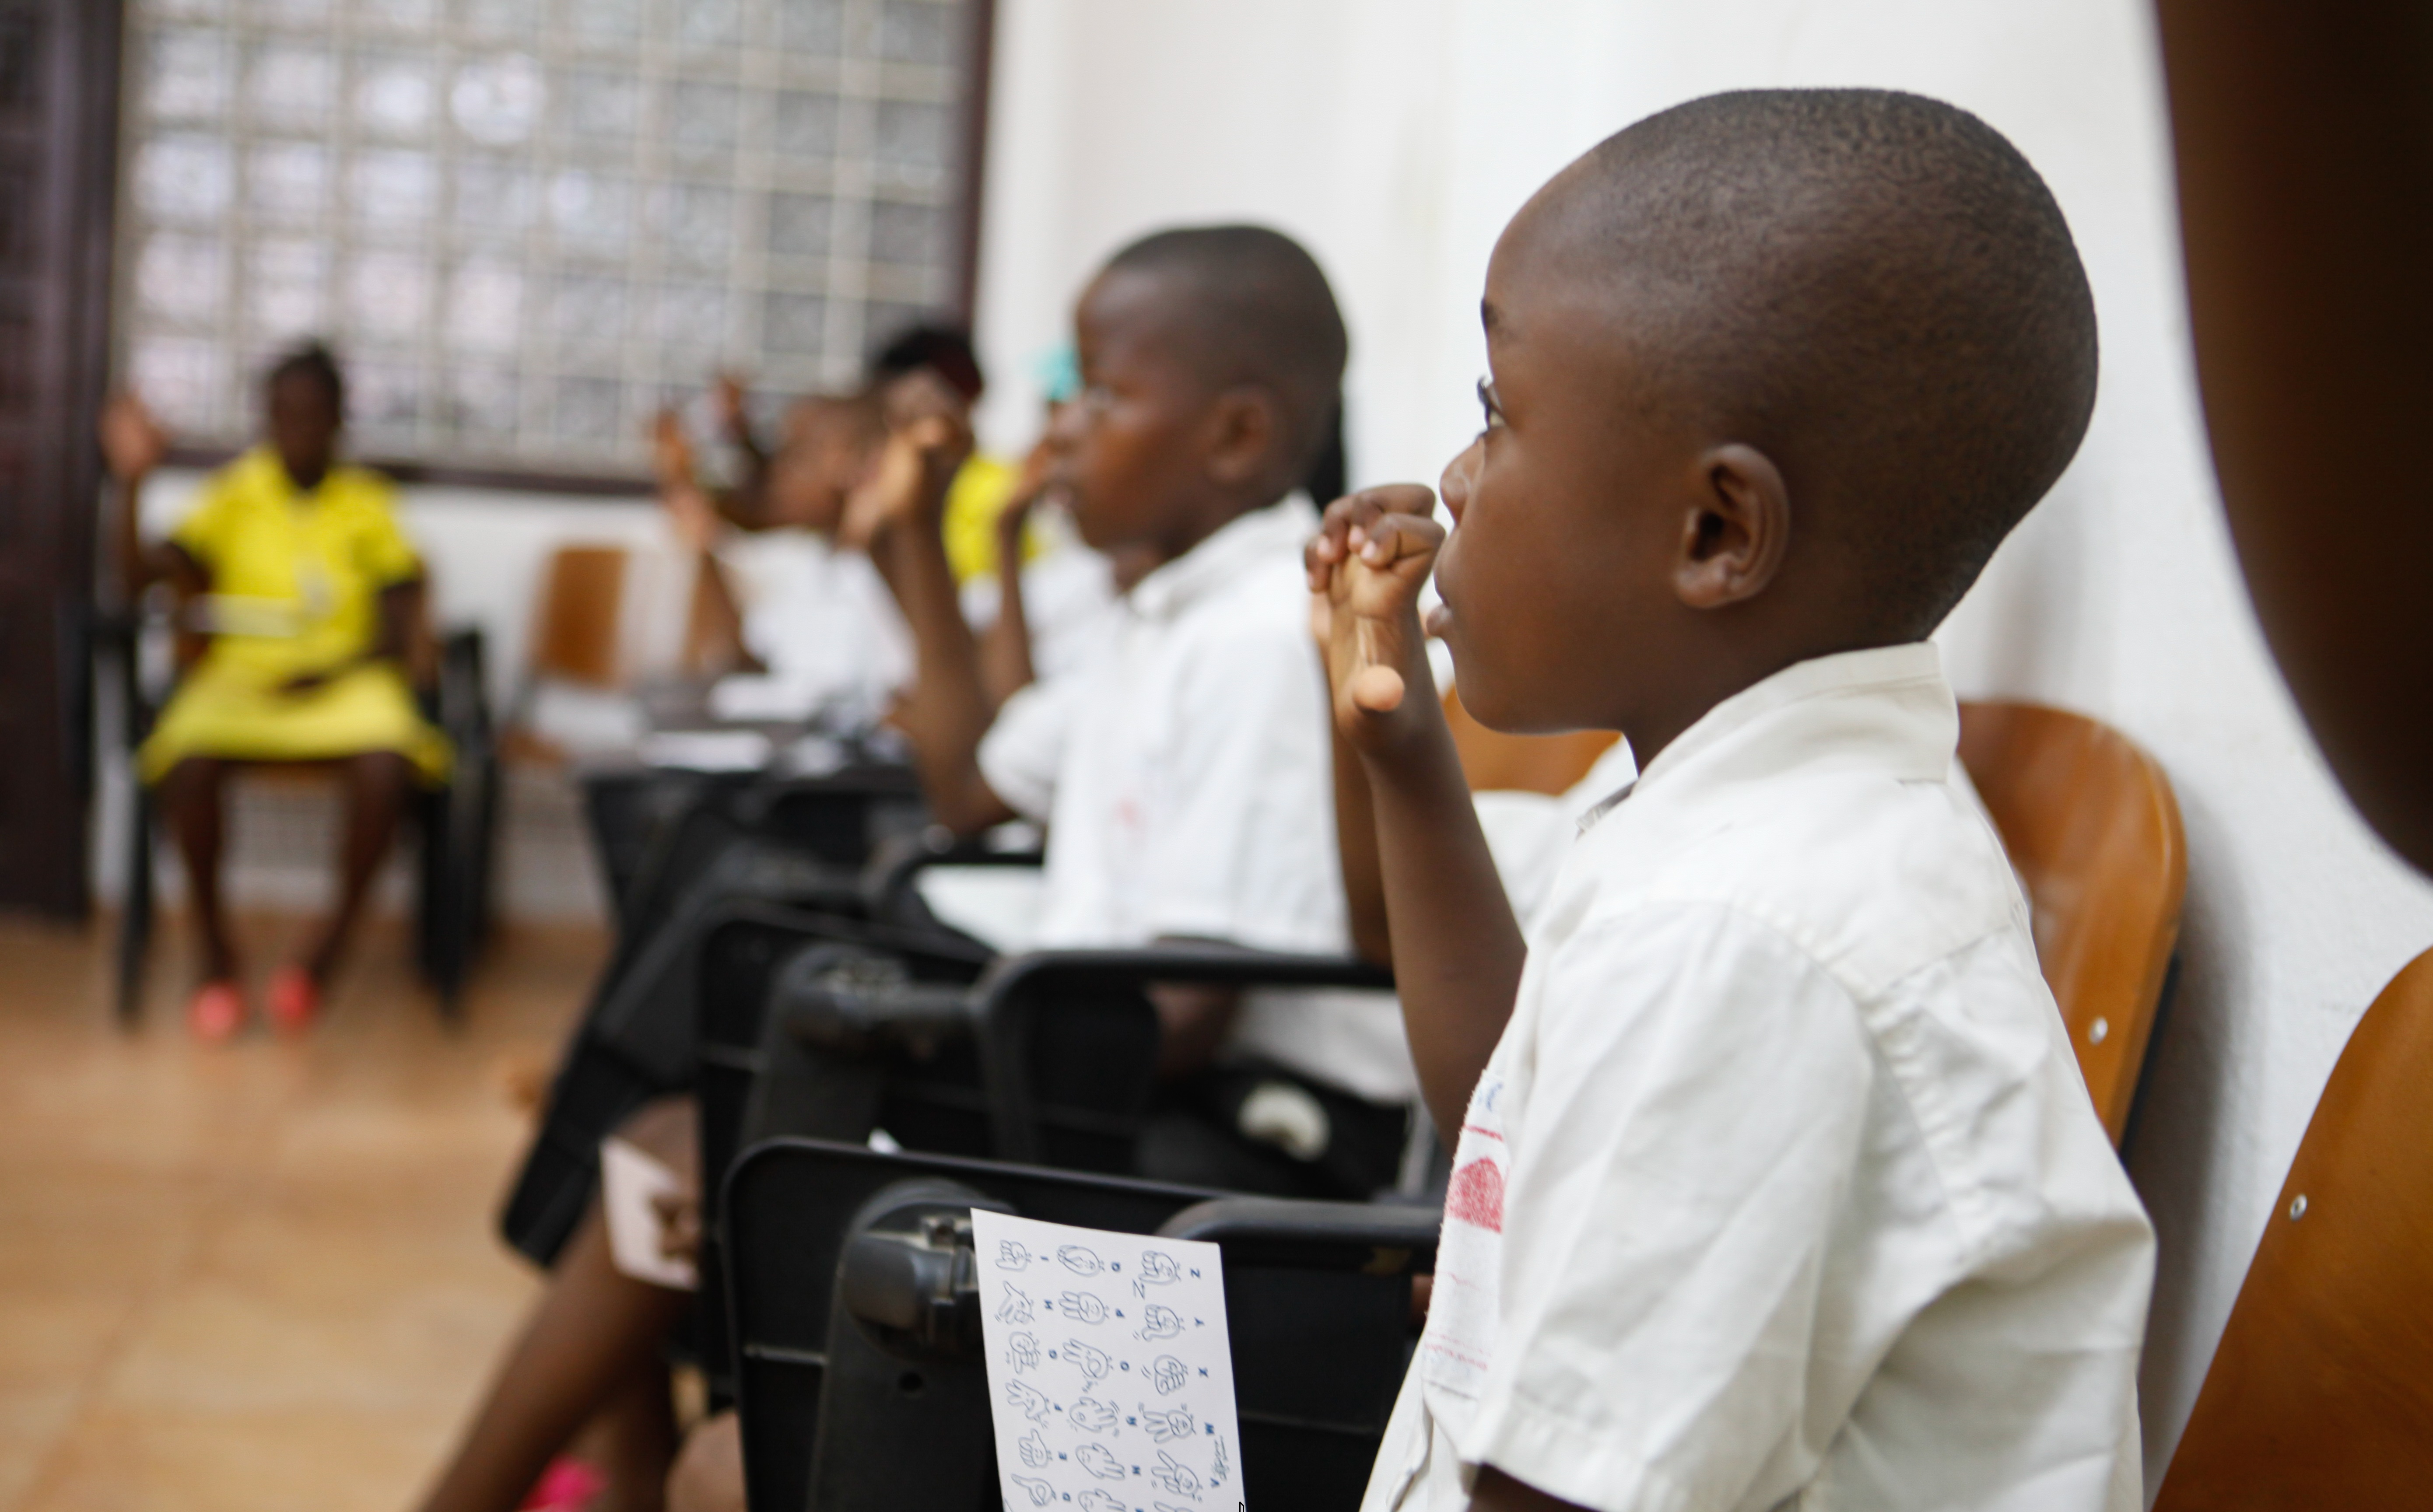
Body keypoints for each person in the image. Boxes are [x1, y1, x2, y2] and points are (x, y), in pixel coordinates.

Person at [1307, 91, 2155, 1511]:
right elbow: (1500, 1119)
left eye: (1495, 416)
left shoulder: (1752, 927)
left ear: (1716, 533)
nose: (1453, 479)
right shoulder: (1748, 820)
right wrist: (1401, 747)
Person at [868, 223, 1419, 1197]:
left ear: (1236, 436)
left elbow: (1179, 1019)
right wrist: (917, 521)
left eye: (1100, 394)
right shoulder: (1160, 612)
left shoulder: (1257, 636)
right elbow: (964, 794)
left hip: (1241, 1141)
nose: (1059, 433)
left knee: (811, 1130)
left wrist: (931, 1050)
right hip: (1117, 1083)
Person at [100, 344, 449, 1040]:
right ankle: (215, 954)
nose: (297, 430)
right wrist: (134, 482)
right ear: (265, 418)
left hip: (342, 683)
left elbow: (397, 624)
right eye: (283, 415)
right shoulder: (234, 493)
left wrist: (332, 672)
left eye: (313, 416)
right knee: (186, 762)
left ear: (338, 421)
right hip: (242, 683)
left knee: (388, 769)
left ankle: (325, 950)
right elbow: (143, 580)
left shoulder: (367, 504)